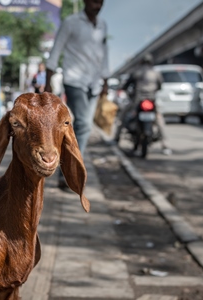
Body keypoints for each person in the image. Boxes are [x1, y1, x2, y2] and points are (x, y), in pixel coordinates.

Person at [44, 0, 108, 190]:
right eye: (93, 1)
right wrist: (48, 79)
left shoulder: (102, 25)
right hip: (74, 80)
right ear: (85, 2)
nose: (97, 5)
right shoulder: (71, 22)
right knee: (84, 124)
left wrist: (105, 80)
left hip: (94, 83)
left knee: (83, 127)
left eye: (100, 2)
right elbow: (57, 49)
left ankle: (68, 167)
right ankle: (70, 171)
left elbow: (104, 54)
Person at [120, 53, 172, 155]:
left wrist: (129, 92)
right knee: (159, 120)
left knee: (123, 116)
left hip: (137, 101)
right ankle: (165, 144)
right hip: (152, 100)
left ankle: (116, 138)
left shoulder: (136, 72)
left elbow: (126, 86)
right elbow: (160, 86)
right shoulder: (156, 73)